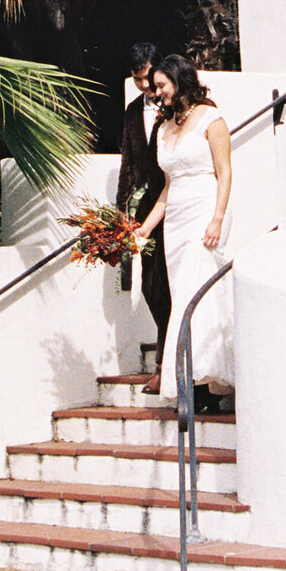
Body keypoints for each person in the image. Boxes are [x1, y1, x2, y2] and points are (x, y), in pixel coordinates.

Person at [135, 53, 233, 407]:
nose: (155, 91)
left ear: (180, 81)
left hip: (206, 208)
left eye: (161, 85)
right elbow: (166, 187)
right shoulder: (163, 129)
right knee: (182, 295)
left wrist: (218, 218)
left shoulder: (211, 118)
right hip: (176, 218)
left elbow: (224, 172)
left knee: (199, 291)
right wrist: (145, 228)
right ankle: (192, 377)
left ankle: (205, 383)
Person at [115, 40, 170, 390]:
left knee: (170, 284)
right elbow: (128, 164)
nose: (146, 86)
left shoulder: (178, 106)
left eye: (149, 77)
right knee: (150, 285)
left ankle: (165, 366)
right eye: (138, 79)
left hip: (177, 204)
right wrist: (123, 214)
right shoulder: (133, 111)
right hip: (145, 211)